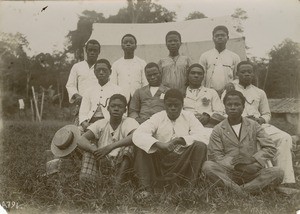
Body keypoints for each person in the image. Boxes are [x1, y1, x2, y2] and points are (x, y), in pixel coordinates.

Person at [224, 61, 295, 184]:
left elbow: (267, 114)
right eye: (243, 72)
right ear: (237, 74)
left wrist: (259, 120)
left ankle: (285, 181)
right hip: (238, 126)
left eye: (249, 72)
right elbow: (223, 112)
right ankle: (264, 178)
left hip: (258, 125)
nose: (246, 74)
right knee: (255, 141)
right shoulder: (229, 90)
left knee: (285, 137)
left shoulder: (259, 92)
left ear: (253, 74)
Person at [132, 89, 208, 200]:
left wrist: (181, 140)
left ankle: (187, 188)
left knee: (200, 146)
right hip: (160, 158)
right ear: (164, 105)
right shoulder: (158, 117)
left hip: (182, 159)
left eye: (176, 105)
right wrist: (159, 144)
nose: (173, 108)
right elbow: (139, 133)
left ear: (182, 105)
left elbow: (203, 135)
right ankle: (146, 189)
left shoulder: (189, 116)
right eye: (169, 105)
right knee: (141, 145)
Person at [203, 90, 284, 195]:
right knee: (208, 166)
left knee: (278, 172)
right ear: (225, 107)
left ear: (243, 106)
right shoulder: (218, 129)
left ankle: (236, 191)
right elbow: (216, 156)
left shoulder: (254, 125)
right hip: (229, 174)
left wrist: (252, 159)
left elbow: (270, 147)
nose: (233, 107)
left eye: (237, 104)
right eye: (229, 105)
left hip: (253, 172)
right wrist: (238, 165)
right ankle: (246, 191)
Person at [78, 94, 139, 184]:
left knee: (129, 148)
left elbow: (136, 136)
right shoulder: (101, 123)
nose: (116, 109)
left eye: (120, 107)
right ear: (108, 108)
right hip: (102, 161)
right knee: (88, 150)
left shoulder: (129, 122)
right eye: (113, 106)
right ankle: (90, 182)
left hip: (121, 163)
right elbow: (80, 140)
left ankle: (117, 183)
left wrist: (110, 147)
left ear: (125, 110)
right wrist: (95, 151)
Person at [79, 59, 123, 131]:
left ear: (110, 72)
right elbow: (83, 112)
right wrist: (84, 123)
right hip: (90, 123)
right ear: (94, 72)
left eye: (104, 70)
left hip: (110, 124)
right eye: (98, 70)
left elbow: (123, 113)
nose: (101, 72)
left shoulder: (118, 90)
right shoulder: (88, 90)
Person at [66, 39, 101, 124]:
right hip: (81, 103)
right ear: (86, 51)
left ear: (99, 52)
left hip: (98, 105)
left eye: (95, 50)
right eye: (90, 50)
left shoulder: (102, 67)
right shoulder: (77, 66)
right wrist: (77, 96)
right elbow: (70, 85)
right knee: (79, 129)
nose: (92, 53)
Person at [199, 25, 240, 96]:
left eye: (223, 35)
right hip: (209, 93)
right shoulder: (205, 56)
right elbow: (201, 77)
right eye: (217, 35)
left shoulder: (235, 57)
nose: (220, 37)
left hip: (228, 94)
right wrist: (203, 93)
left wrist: (232, 84)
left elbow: (238, 77)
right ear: (213, 38)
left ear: (228, 38)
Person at [111, 34, 147, 102]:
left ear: (135, 46)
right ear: (122, 46)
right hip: (121, 98)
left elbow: (145, 83)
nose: (128, 44)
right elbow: (113, 84)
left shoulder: (142, 63)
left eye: (131, 42)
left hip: (138, 98)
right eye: (125, 42)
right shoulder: (116, 64)